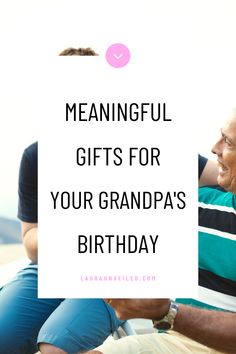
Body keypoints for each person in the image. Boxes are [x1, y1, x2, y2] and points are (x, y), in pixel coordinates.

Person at [86, 112, 236, 353]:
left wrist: (167, 312)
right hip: (170, 342)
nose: (214, 148)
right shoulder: (198, 205)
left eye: (228, 142)